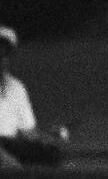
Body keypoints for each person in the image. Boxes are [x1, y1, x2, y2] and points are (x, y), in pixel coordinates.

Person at [0, 26, 66, 168]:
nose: (1, 58)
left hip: (10, 145)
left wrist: (48, 138)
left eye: (5, 53)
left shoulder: (17, 88)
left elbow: (28, 132)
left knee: (52, 154)